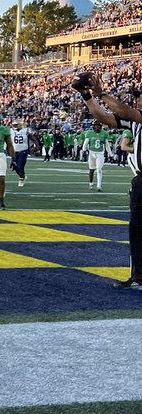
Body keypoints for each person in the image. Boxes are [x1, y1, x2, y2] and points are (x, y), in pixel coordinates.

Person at [72, 70, 142, 288]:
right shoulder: (136, 123)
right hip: (141, 181)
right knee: (137, 230)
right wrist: (87, 96)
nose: (138, 98)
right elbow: (102, 117)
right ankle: (138, 276)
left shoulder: (137, 117)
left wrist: (102, 93)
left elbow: (125, 110)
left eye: (140, 96)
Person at [82, 119, 109, 192]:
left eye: (99, 126)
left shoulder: (104, 133)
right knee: (91, 169)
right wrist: (84, 151)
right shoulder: (89, 133)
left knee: (99, 169)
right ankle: (91, 183)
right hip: (91, 153)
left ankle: (99, 186)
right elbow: (85, 143)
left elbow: (107, 145)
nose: (97, 127)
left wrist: (110, 153)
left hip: (100, 153)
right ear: (94, 126)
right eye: (96, 126)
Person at [10, 117, 30, 187]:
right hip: (14, 151)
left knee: (20, 166)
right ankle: (23, 176)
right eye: (14, 125)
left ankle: (21, 179)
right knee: (15, 167)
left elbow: (33, 138)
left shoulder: (25, 130)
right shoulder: (11, 131)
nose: (14, 126)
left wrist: (37, 146)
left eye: (15, 125)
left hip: (23, 150)